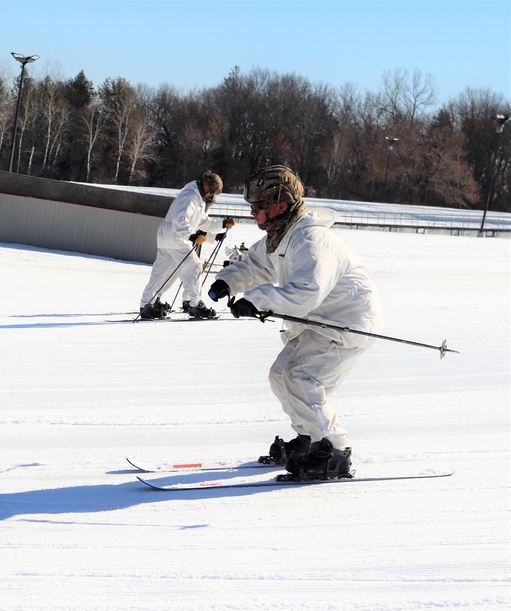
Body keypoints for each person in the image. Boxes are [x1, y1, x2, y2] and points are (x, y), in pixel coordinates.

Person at [207, 165, 383, 480]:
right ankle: (308, 439)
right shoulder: (280, 237)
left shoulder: (312, 240)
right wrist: (228, 283)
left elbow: (307, 291)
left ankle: (333, 451)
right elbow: (254, 266)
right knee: (280, 375)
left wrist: (257, 301)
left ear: (281, 205)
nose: (253, 213)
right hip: (319, 322)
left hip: (346, 323)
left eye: (258, 207)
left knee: (301, 378)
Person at [139, 171, 234, 320]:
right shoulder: (191, 196)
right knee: (194, 265)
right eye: (212, 192)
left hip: (168, 237)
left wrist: (219, 228)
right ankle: (194, 304)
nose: (212, 196)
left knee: (164, 272)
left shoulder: (198, 198)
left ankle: (147, 303)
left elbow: (202, 222)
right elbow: (180, 220)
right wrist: (192, 236)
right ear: (206, 185)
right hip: (176, 238)